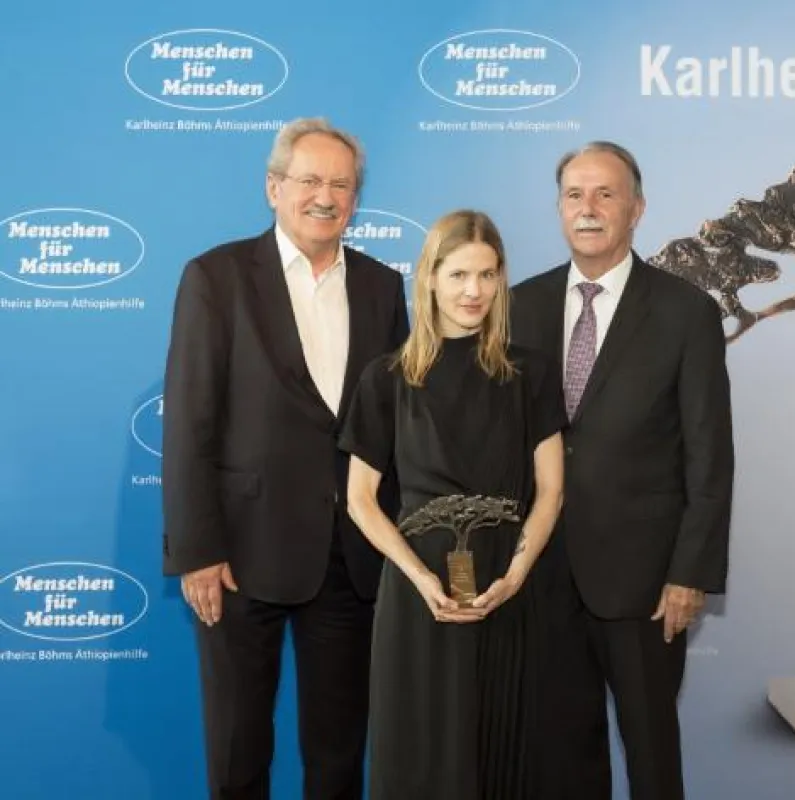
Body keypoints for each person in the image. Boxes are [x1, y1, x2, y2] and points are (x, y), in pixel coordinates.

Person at [161, 117, 410, 799]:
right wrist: (197, 551)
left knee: (338, 754)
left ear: (356, 200)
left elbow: (393, 428)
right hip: (239, 555)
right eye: (308, 180)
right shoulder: (217, 276)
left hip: (351, 557)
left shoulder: (384, 287)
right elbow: (189, 421)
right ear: (274, 188)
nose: (324, 196)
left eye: (340, 184)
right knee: (239, 748)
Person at [510, 141, 735, 800]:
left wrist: (690, 572)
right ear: (559, 209)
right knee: (559, 754)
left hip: (644, 583)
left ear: (636, 209)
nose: (589, 208)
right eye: (575, 195)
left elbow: (709, 454)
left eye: (605, 194)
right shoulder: (518, 306)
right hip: (539, 578)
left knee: (651, 754)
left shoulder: (685, 311)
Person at [339, 209, 566, 799]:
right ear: (431, 277)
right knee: (418, 759)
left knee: (506, 754)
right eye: (461, 274)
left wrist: (515, 576)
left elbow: (551, 491)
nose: (474, 291)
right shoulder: (385, 378)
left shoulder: (529, 373)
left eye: (488, 276)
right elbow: (361, 500)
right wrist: (417, 577)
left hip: (509, 592)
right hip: (418, 599)